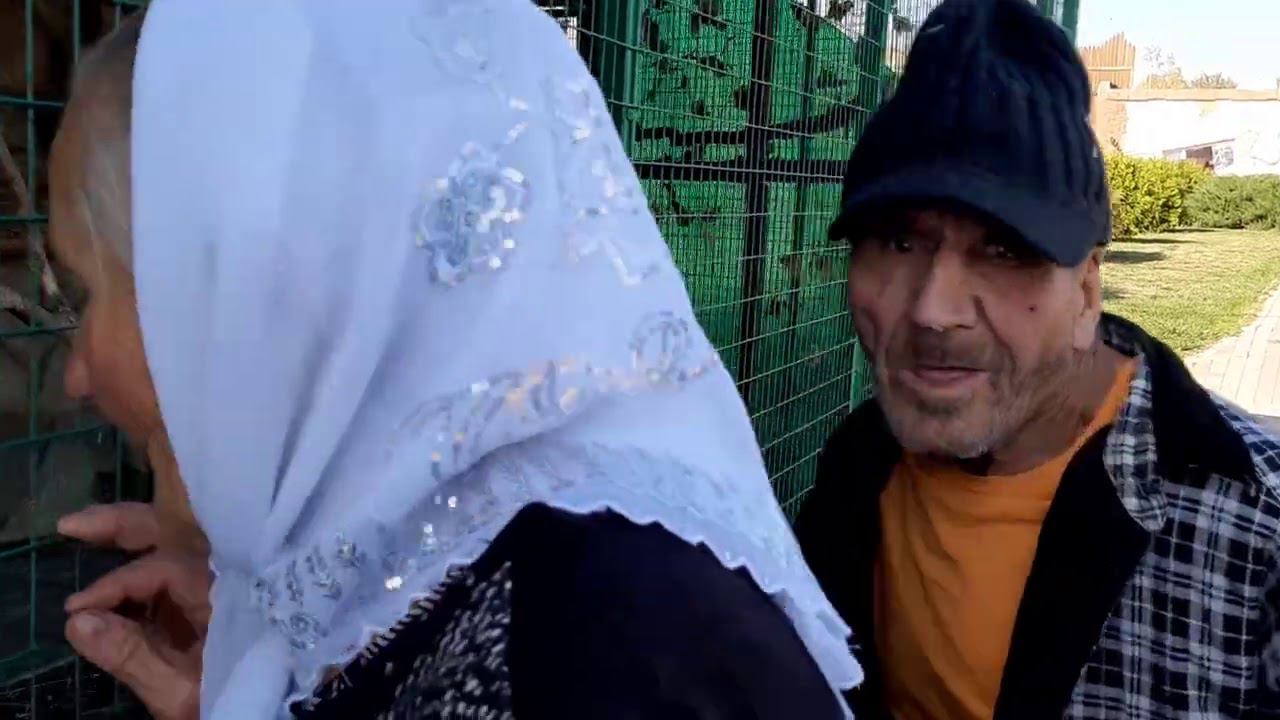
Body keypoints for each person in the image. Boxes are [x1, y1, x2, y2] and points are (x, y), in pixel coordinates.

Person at [48, 1, 864, 718]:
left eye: (86, 293)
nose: (76, 374)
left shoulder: (609, 651)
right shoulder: (457, 583)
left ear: (256, 294)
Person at [794, 0, 1280, 718]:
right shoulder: (858, 466)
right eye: (898, 241)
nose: (933, 310)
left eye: (1004, 250)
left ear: (1086, 293)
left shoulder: (1256, 532)